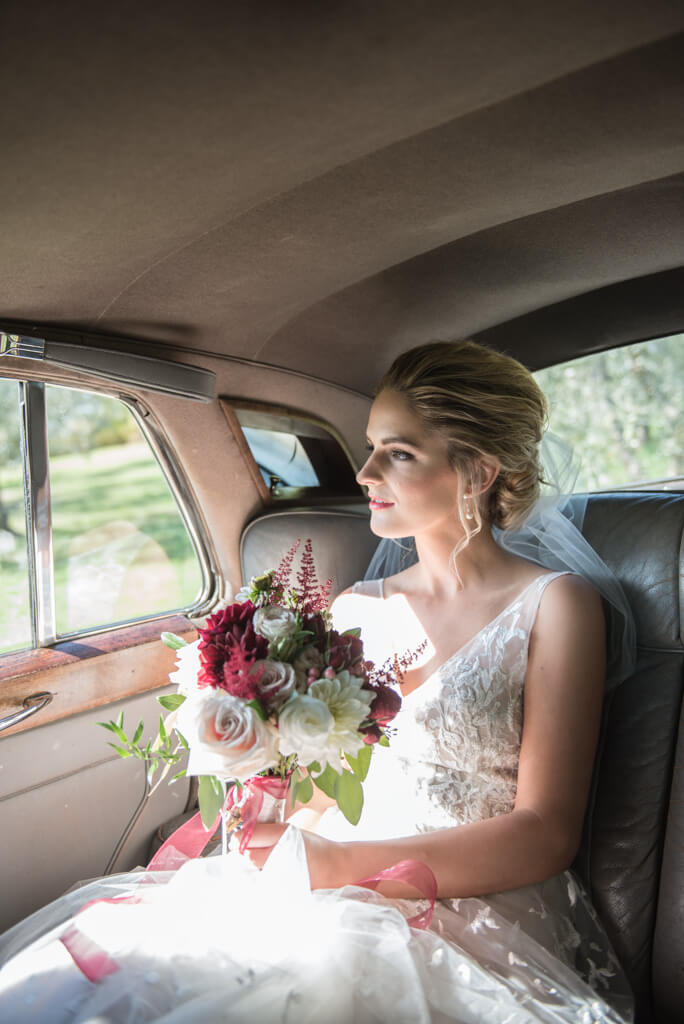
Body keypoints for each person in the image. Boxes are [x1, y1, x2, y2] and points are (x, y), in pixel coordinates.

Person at [0, 341, 634, 1023]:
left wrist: (342, 866)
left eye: (399, 453)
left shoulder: (556, 606)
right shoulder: (354, 609)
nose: (364, 473)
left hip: (469, 903)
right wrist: (269, 813)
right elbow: (324, 791)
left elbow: (544, 833)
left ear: (476, 470)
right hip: (328, 872)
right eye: (370, 447)